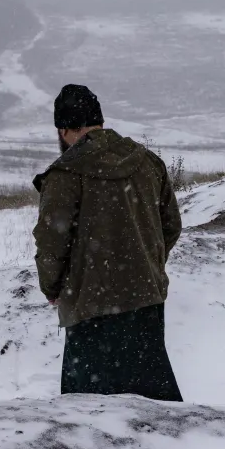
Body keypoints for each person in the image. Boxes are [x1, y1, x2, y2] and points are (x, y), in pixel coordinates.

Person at [34, 84, 184, 400]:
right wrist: (145, 265)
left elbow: (51, 242)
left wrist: (52, 288)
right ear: (99, 121)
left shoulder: (66, 173)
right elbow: (170, 226)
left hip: (90, 309)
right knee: (155, 412)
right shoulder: (147, 161)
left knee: (91, 420)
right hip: (146, 302)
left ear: (63, 131)